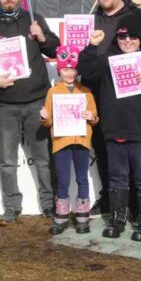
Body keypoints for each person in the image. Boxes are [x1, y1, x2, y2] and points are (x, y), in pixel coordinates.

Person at [78, 14, 141, 242]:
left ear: (140, 39)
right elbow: (86, 71)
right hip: (114, 130)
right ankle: (117, 221)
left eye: (133, 36)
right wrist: (92, 45)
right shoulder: (107, 59)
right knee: (116, 178)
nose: (128, 41)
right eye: (123, 36)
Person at [0, 0, 61, 224]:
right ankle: (12, 206)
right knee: (7, 161)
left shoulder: (34, 19)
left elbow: (57, 51)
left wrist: (42, 38)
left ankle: (50, 204)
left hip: (37, 101)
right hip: (3, 104)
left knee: (45, 158)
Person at [87, 0, 141, 214]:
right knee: (104, 148)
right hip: (99, 90)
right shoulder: (90, 18)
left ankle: (135, 201)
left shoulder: (135, 15)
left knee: (134, 153)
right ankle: (112, 199)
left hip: (133, 93)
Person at [40, 46, 100, 235]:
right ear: (59, 70)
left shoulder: (86, 91)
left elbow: (95, 118)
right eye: (65, 69)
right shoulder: (53, 92)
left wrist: (91, 116)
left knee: (82, 178)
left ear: (77, 71)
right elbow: (49, 122)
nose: (69, 73)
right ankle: (61, 217)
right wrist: (44, 117)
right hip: (61, 142)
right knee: (63, 179)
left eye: (72, 69)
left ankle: (83, 217)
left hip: (81, 141)